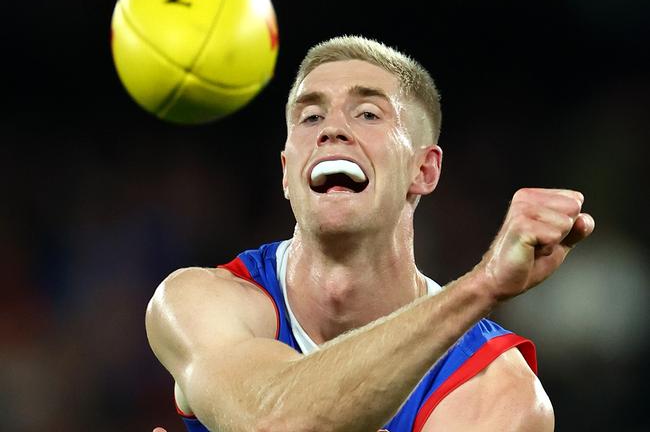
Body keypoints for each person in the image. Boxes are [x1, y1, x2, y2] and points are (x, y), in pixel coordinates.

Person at [146, 36, 594, 431]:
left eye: (367, 113)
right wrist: (484, 284)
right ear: (286, 173)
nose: (332, 130)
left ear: (424, 169)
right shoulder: (197, 302)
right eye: (310, 117)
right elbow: (274, 420)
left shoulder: (499, 389)